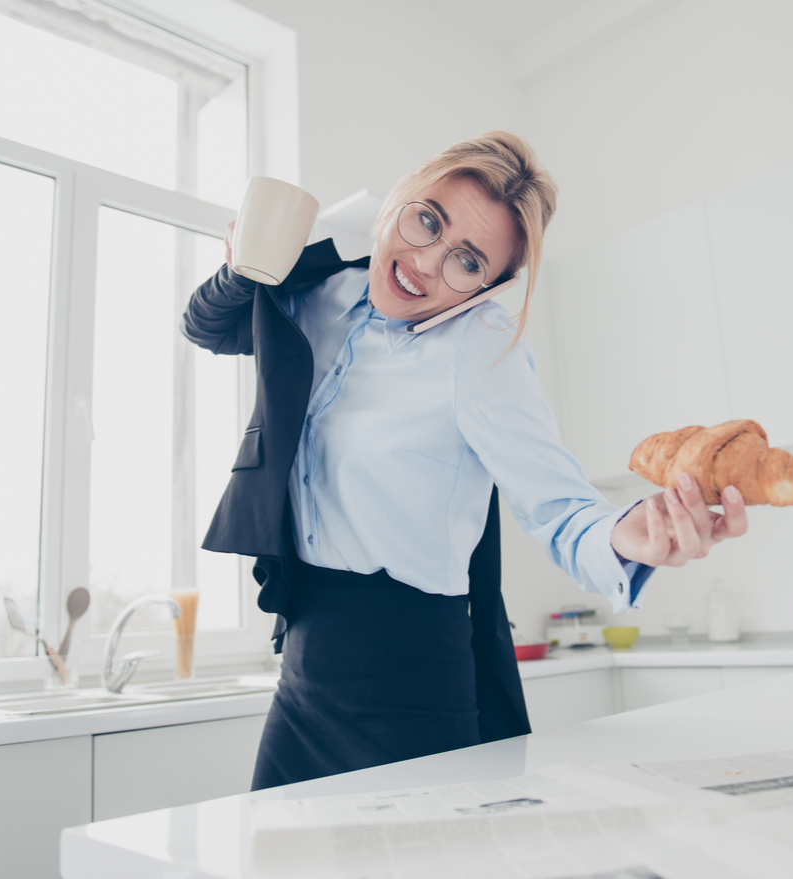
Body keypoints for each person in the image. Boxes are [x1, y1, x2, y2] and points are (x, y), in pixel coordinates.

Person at [181, 131, 748, 791]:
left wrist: (633, 536)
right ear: (399, 197)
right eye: (427, 219)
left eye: (467, 261)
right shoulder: (321, 288)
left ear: (491, 286)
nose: (424, 262)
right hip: (304, 674)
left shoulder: (477, 348)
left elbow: (563, 511)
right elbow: (208, 328)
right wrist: (242, 266)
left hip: (409, 689)